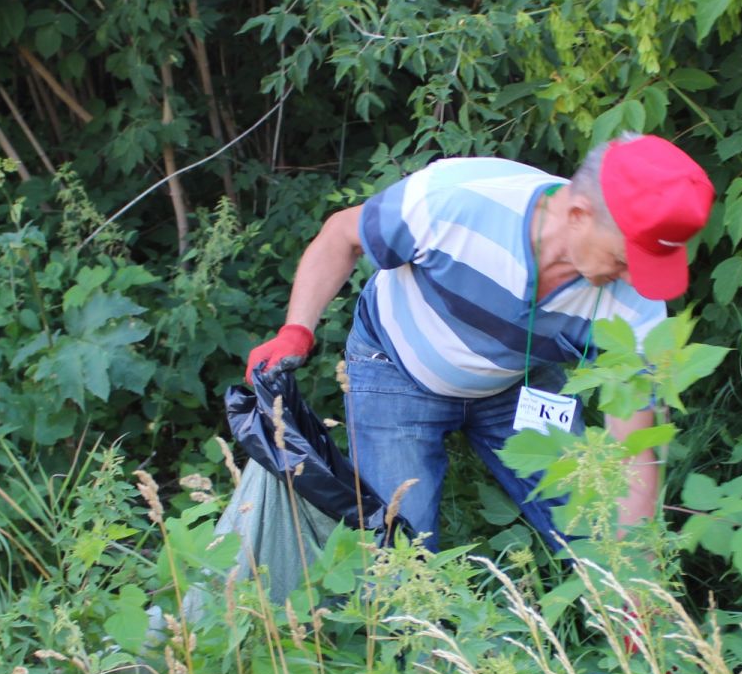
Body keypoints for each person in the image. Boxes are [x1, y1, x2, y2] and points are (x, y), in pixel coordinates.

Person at [244, 133, 714, 550]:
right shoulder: (457, 203)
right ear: (577, 214)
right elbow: (340, 236)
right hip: (395, 367)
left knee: (593, 520)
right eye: (624, 258)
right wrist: (296, 329)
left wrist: (635, 570)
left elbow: (631, 449)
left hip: (520, 380)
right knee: (399, 547)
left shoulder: (635, 301)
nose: (634, 279)